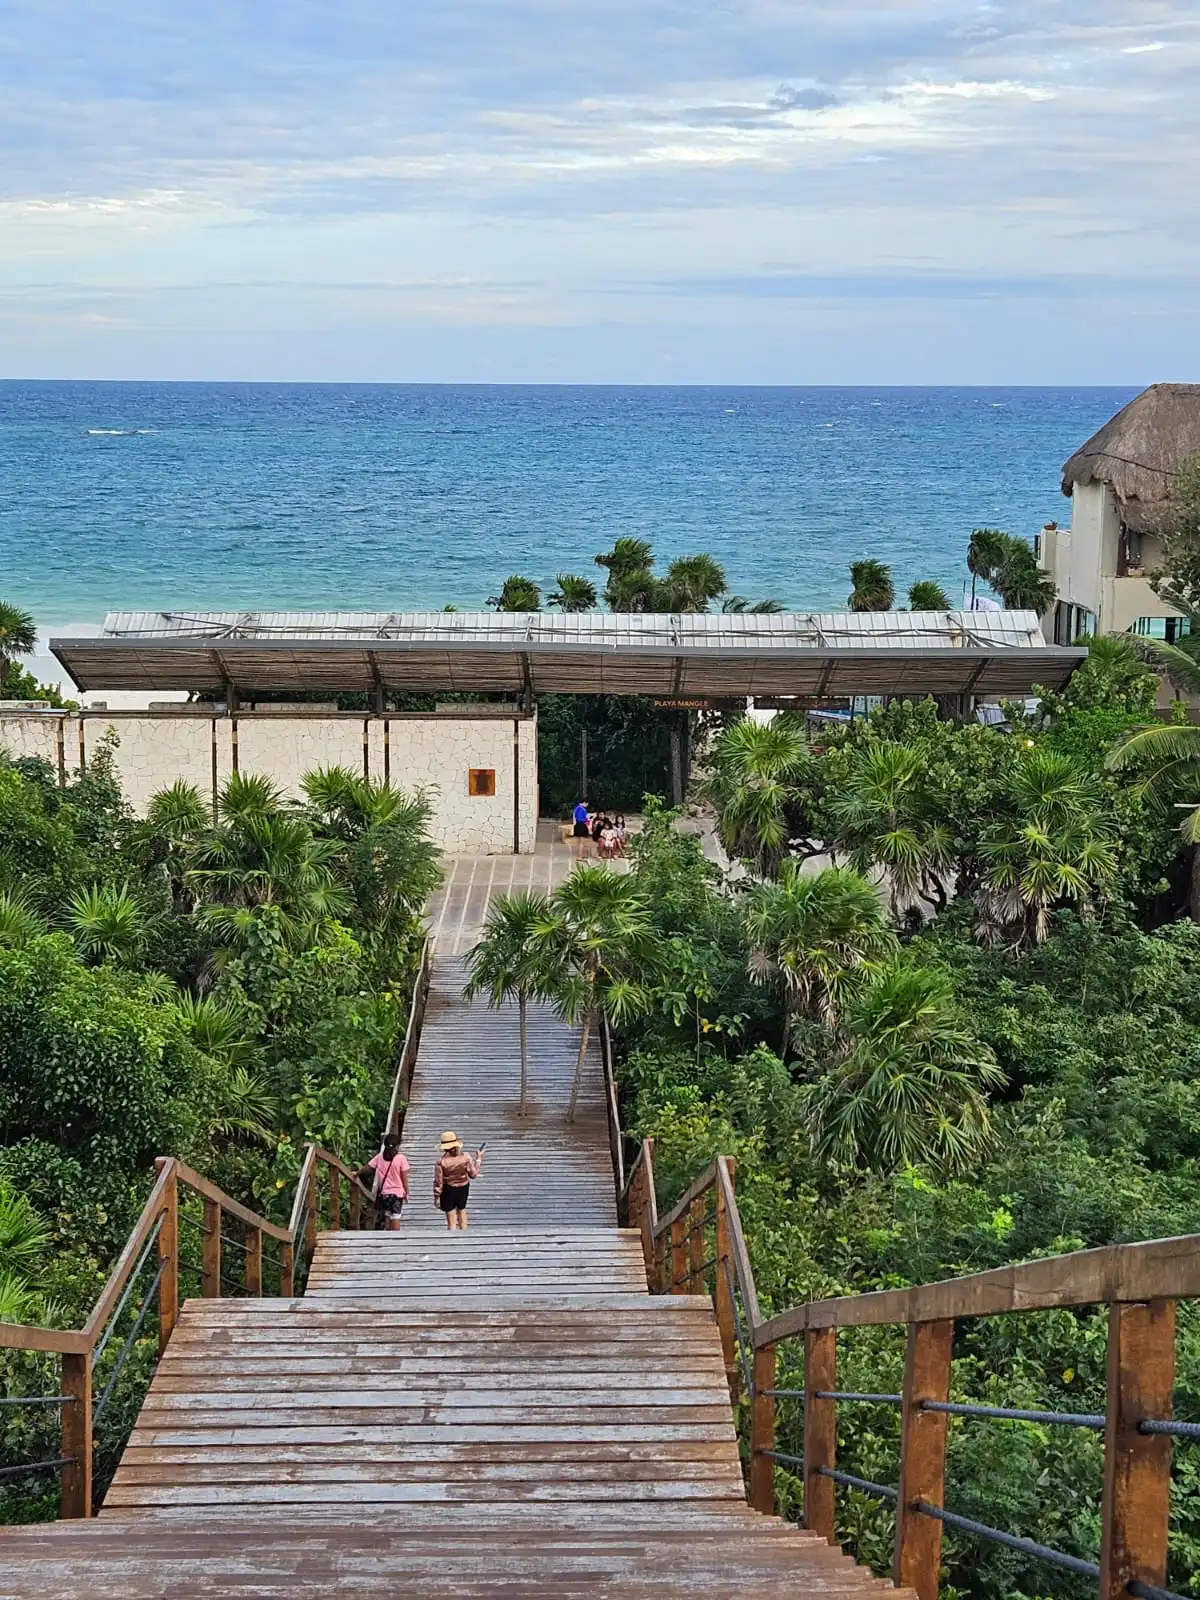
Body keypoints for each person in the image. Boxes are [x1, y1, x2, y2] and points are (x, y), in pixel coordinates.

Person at [359, 1132, 410, 1231]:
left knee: (388, 1214)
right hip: (397, 1193)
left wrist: (357, 1173)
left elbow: (368, 1168)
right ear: (397, 1146)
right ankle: (395, 1237)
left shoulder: (379, 1157)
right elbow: (404, 1177)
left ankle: (387, 1235)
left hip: (385, 1193)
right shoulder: (401, 1158)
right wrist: (407, 1192)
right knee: (396, 1215)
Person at [434, 1131, 483, 1230]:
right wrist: (478, 1159)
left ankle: (452, 1237)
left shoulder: (441, 1162)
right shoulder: (466, 1158)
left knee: (451, 1217)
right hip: (463, 1187)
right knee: (462, 1210)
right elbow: (473, 1175)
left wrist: (437, 1196)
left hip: (448, 1189)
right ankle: (464, 1235)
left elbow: (438, 1182)